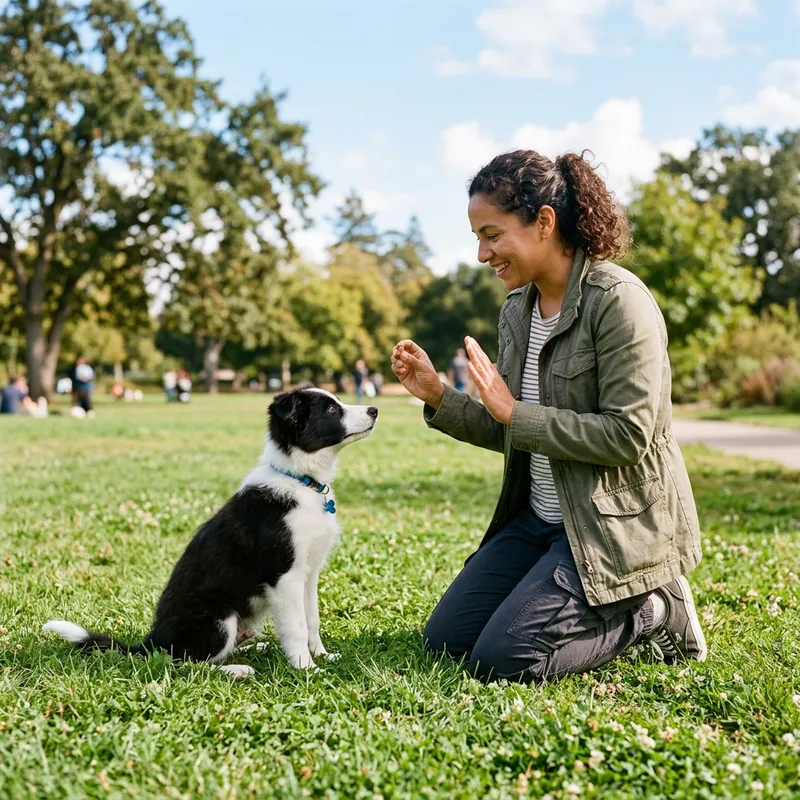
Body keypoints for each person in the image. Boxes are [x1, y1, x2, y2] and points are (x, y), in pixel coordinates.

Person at [391, 149, 705, 684]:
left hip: (609, 527)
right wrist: (440, 396)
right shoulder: (517, 310)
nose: (482, 254)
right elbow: (509, 426)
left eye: (492, 235)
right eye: (477, 239)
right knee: (444, 642)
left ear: (544, 222)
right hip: (538, 519)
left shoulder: (619, 302)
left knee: (504, 660)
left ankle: (653, 609)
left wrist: (518, 412)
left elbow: (629, 435)